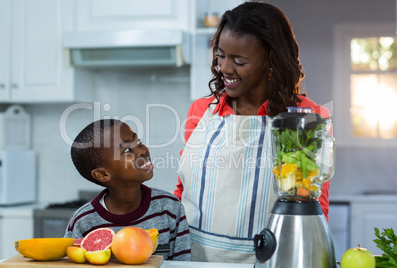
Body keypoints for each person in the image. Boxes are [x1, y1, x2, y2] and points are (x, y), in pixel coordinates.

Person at [174, 1, 331, 263]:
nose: (224, 68)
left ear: (271, 61)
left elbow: (313, 204)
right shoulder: (201, 110)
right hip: (196, 260)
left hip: (273, 260)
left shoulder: (305, 117)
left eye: (239, 61)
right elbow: (183, 189)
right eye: (221, 55)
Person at [64, 119, 191, 261]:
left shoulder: (170, 207)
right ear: (103, 175)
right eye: (127, 150)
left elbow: (182, 262)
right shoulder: (83, 221)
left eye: (137, 142)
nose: (142, 151)